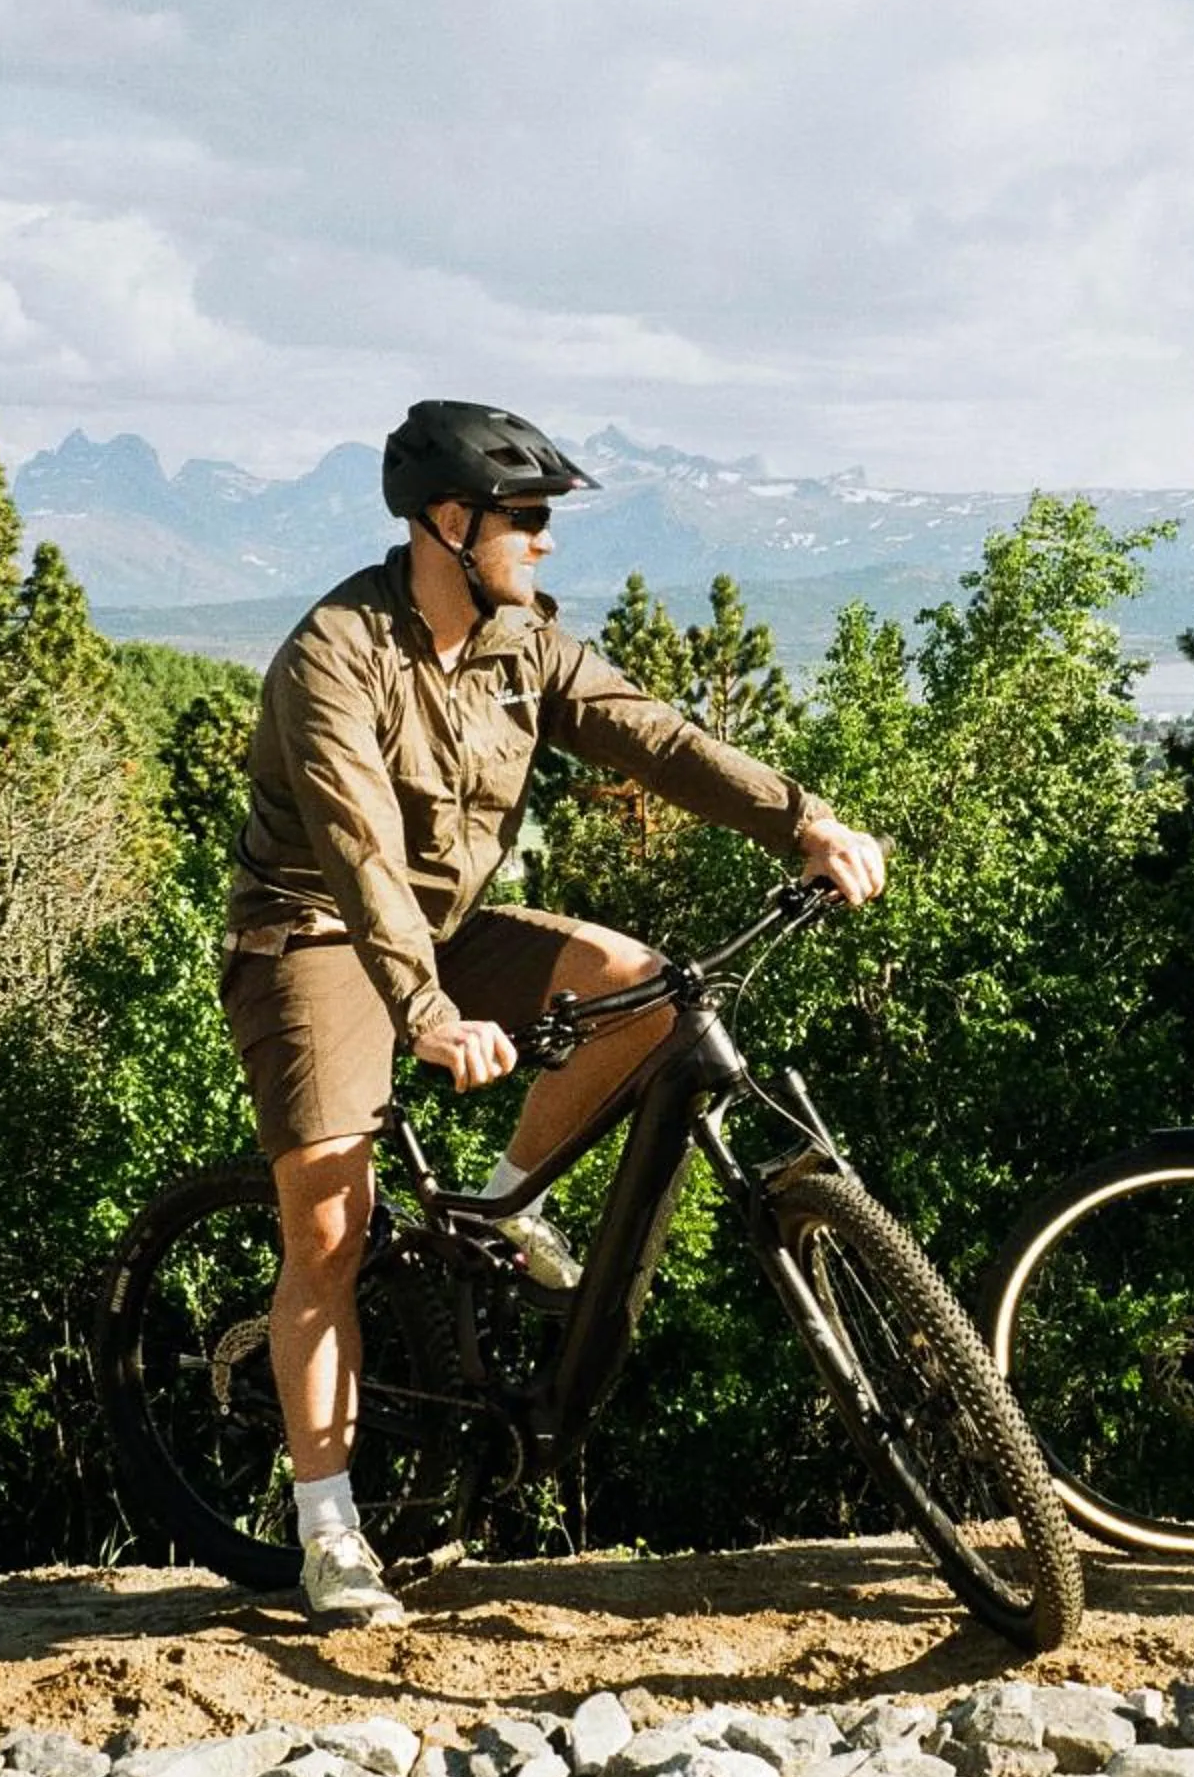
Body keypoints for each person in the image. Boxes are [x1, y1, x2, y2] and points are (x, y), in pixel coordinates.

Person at [223, 399, 887, 1626]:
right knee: (328, 1221)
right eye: (526, 519)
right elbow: (361, 850)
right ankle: (326, 1523)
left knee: (639, 987)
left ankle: (502, 1203)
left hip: (448, 922)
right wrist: (422, 1010)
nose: (545, 543)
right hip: (313, 929)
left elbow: (651, 737)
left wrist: (804, 818)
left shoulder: (523, 639)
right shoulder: (333, 654)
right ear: (448, 519)